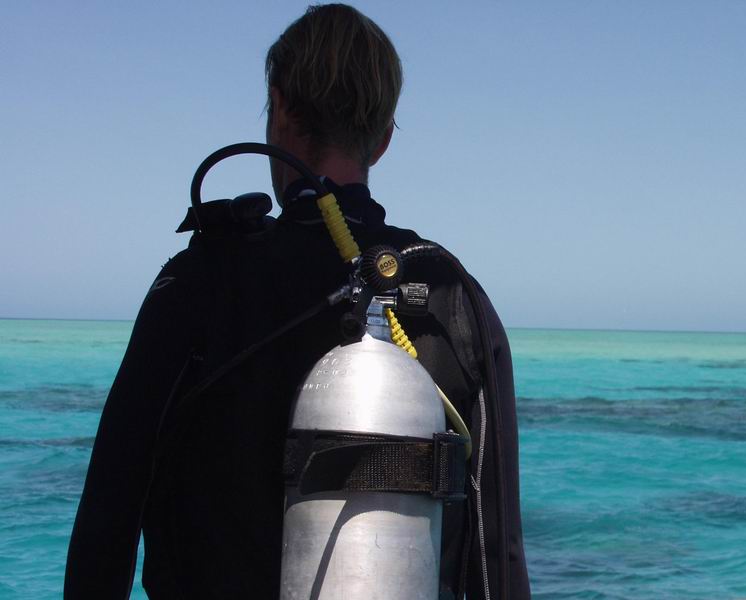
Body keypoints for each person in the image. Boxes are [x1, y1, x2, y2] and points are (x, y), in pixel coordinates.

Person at [65, 4, 529, 599]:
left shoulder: (197, 282)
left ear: (280, 107)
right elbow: (496, 556)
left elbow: (109, 516)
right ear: (384, 138)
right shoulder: (452, 298)